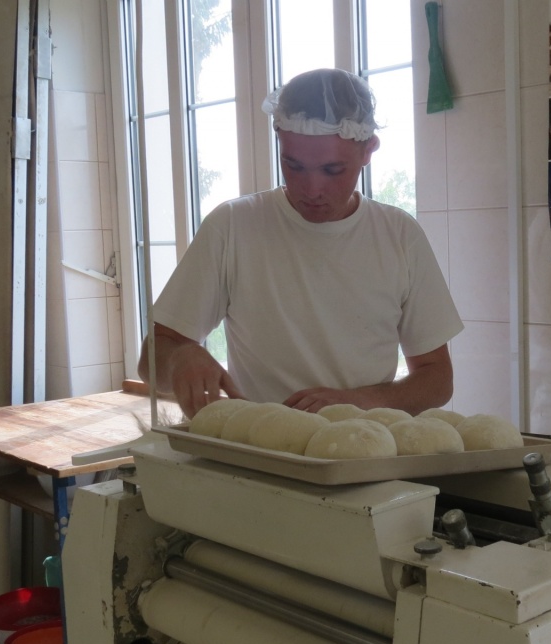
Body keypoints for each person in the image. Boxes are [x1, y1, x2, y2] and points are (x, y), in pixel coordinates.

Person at [138, 68, 463, 419]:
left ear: (368, 150)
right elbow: (150, 360)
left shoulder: (399, 235)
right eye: (293, 166)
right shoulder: (232, 226)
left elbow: (437, 379)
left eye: (332, 170)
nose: (311, 190)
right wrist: (179, 358)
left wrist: (358, 401)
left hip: (361, 444)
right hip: (258, 444)